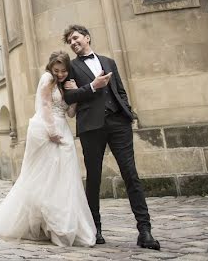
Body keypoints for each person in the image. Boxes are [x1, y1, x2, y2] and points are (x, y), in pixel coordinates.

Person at [0, 52, 96, 247]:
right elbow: (46, 105)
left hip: (63, 128)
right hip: (49, 130)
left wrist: (74, 95)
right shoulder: (47, 78)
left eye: (63, 71)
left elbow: (71, 113)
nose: (60, 74)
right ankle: (49, 224)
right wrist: (52, 131)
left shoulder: (65, 84)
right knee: (43, 177)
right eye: (57, 70)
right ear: (51, 68)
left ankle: (60, 224)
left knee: (63, 178)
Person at [61, 24, 160, 250]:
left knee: (131, 175)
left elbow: (120, 90)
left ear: (87, 37)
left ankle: (145, 231)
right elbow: (69, 97)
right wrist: (93, 87)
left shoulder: (109, 61)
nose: (74, 43)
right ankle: (95, 229)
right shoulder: (71, 67)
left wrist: (126, 110)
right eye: (70, 42)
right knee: (94, 179)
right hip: (91, 127)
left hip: (118, 123)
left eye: (76, 38)